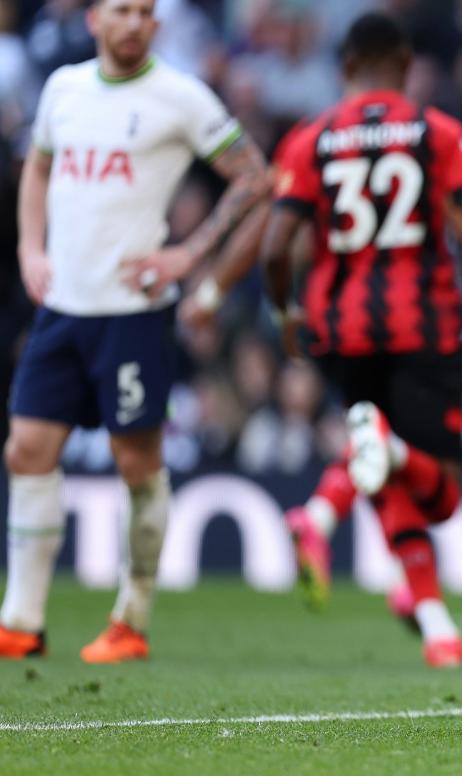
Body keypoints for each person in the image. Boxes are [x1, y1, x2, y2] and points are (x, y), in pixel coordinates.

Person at [261, 13, 462, 669]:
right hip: (421, 325)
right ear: (406, 63)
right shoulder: (432, 131)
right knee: (439, 492)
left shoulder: (311, 139)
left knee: (381, 473)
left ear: (345, 66)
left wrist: (284, 310)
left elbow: (275, 245)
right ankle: (348, 495)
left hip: (339, 327)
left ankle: (431, 620)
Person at [1, 0, 268, 662]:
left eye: (146, 12)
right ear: (95, 20)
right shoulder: (64, 88)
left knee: (136, 464)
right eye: (121, 10)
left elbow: (254, 176)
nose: (133, 23)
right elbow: (37, 167)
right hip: (63, 307)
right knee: (26, 451)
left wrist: (188, 252)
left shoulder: (180, 97)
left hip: (132, 313)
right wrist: (31, 250)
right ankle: (21, 619)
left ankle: (131, 618)